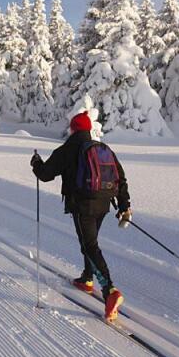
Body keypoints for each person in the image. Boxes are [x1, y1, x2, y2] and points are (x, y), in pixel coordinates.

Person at [30, 111, 131, 322]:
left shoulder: (68, 149)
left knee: (89, 246)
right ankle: (87, 278)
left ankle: (110, 291)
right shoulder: (103, 149)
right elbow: (120, 178)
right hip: (104, 204)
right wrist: (124, 206)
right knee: (90, 241)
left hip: (82, 204)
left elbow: (46, 174)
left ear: (73, 129)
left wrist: (36, 163)